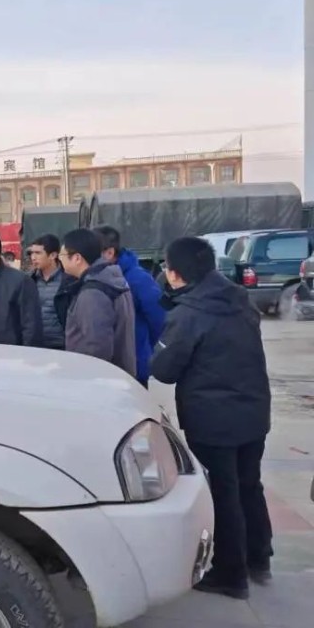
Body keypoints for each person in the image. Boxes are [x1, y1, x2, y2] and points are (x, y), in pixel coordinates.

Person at [150, 236, 273, 600]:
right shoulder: (240, 300)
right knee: (249, 484)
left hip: (213, 418)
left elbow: (164, 369)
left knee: (223, 492)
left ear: (174, 273)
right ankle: (258, 557)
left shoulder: (189, 314)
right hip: (253, 410)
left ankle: (230, 574)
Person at [57, 228, 137, 378]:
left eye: (62, 255)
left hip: (98, 381)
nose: (60, 260)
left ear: (77, 258)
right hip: (118, 376)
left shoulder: (93, 293)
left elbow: (96, 348)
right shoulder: (110, 279)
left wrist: (89, 380)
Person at [94, 225, 167, 387]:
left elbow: (158, 319)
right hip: (106, 365)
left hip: (134, 364)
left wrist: (142, 343)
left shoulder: (138, 279)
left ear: (109, 253)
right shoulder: (94, 278)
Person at [27, 234, 67, 350]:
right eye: (31, 253)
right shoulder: (29, 280)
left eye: (38, 253)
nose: (33, 257)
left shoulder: (68, 280)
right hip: (35, 345)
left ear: (53, 255)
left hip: (61, 345)